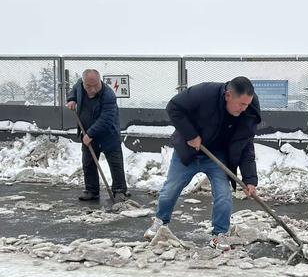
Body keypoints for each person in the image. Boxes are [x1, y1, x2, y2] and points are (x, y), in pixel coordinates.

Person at [144, 76, 261, 249]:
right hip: (188, 150)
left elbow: (245, 145)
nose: (244, 109)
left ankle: (219, 235)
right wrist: (191, 135)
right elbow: (173, 107)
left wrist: (250, 179)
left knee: (223, 194)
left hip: (217, 155)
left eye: (247, 104)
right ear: (228, 95)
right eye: (241, 104)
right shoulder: (204, 93)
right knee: (170, 190)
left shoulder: (249, 109)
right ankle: (160, 223)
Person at [66, 69, 129, 201]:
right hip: (87, 132)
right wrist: (71, 99)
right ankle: (91, 190)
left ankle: (119, 190)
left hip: (108, 134)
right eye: (89, 86)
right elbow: (74, 90)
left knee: (115, 163)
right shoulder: (79, 85)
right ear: (84, 83)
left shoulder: (108, 95)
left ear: (100, 81)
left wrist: (90, 134)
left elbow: (106, 119)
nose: (93, 89)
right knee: (88, 163)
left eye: (96, 85)